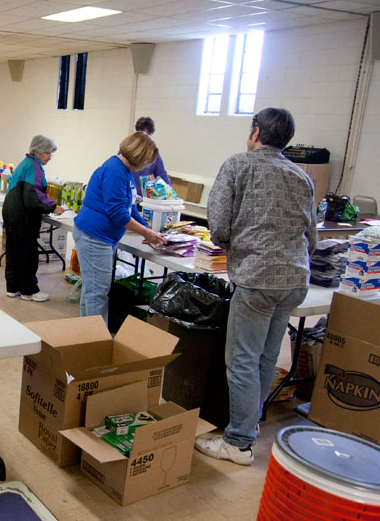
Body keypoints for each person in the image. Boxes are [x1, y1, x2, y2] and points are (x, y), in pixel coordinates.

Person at [195, 107, 316, 466]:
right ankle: (250, 424)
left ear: (255, 132)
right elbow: (313, 237)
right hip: (294, 279)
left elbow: (217, 225)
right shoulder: (302, 176)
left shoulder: (238, 165)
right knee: (265, 357)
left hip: (257, 277)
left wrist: (237, 244)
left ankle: (238, 442)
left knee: (243, 360)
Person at [73, 132, 166, 324]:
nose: (148, 165)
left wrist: (146, 227)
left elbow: (129, 206)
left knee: (93, 291)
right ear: (139, 155)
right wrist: (146, 232)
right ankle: (95, 341)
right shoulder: (115, 170)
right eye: (147, 160)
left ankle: (87, 335)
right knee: (97, 293)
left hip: (102, 237)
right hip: (94, 237)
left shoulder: (124, 171)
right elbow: (117, 212)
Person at [2, 135, 64, 302]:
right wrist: (53, 207)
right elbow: (33, 195)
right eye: (48, 153)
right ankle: (29, 290)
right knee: (27, 255)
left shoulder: (26, 163)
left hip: (11, 213)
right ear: (38, 151)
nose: (50, 157)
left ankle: (13, 287)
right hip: (22, 217)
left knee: (14, 252)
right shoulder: (33, 166)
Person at [133, 116, 172, 196]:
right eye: (142, 134)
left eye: (147, 135)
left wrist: (170, 194)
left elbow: (162, 175)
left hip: (143, 197)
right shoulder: (129, 149)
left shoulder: (153, 154)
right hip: (129, 194)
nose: (144, 138)